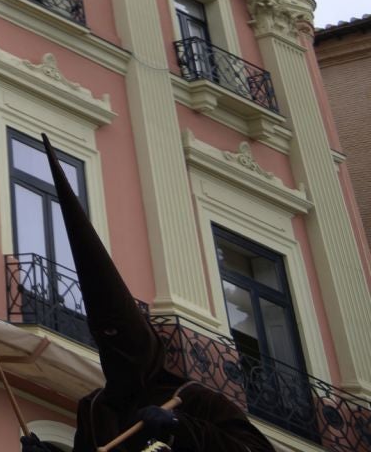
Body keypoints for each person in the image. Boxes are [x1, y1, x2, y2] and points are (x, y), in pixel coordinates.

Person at [40, 135, 271, 452]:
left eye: (123, 338)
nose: (117, 350)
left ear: (145, 342)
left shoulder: (192, 397)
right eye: (106, 340)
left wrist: (179, 428)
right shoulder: (95, 410)